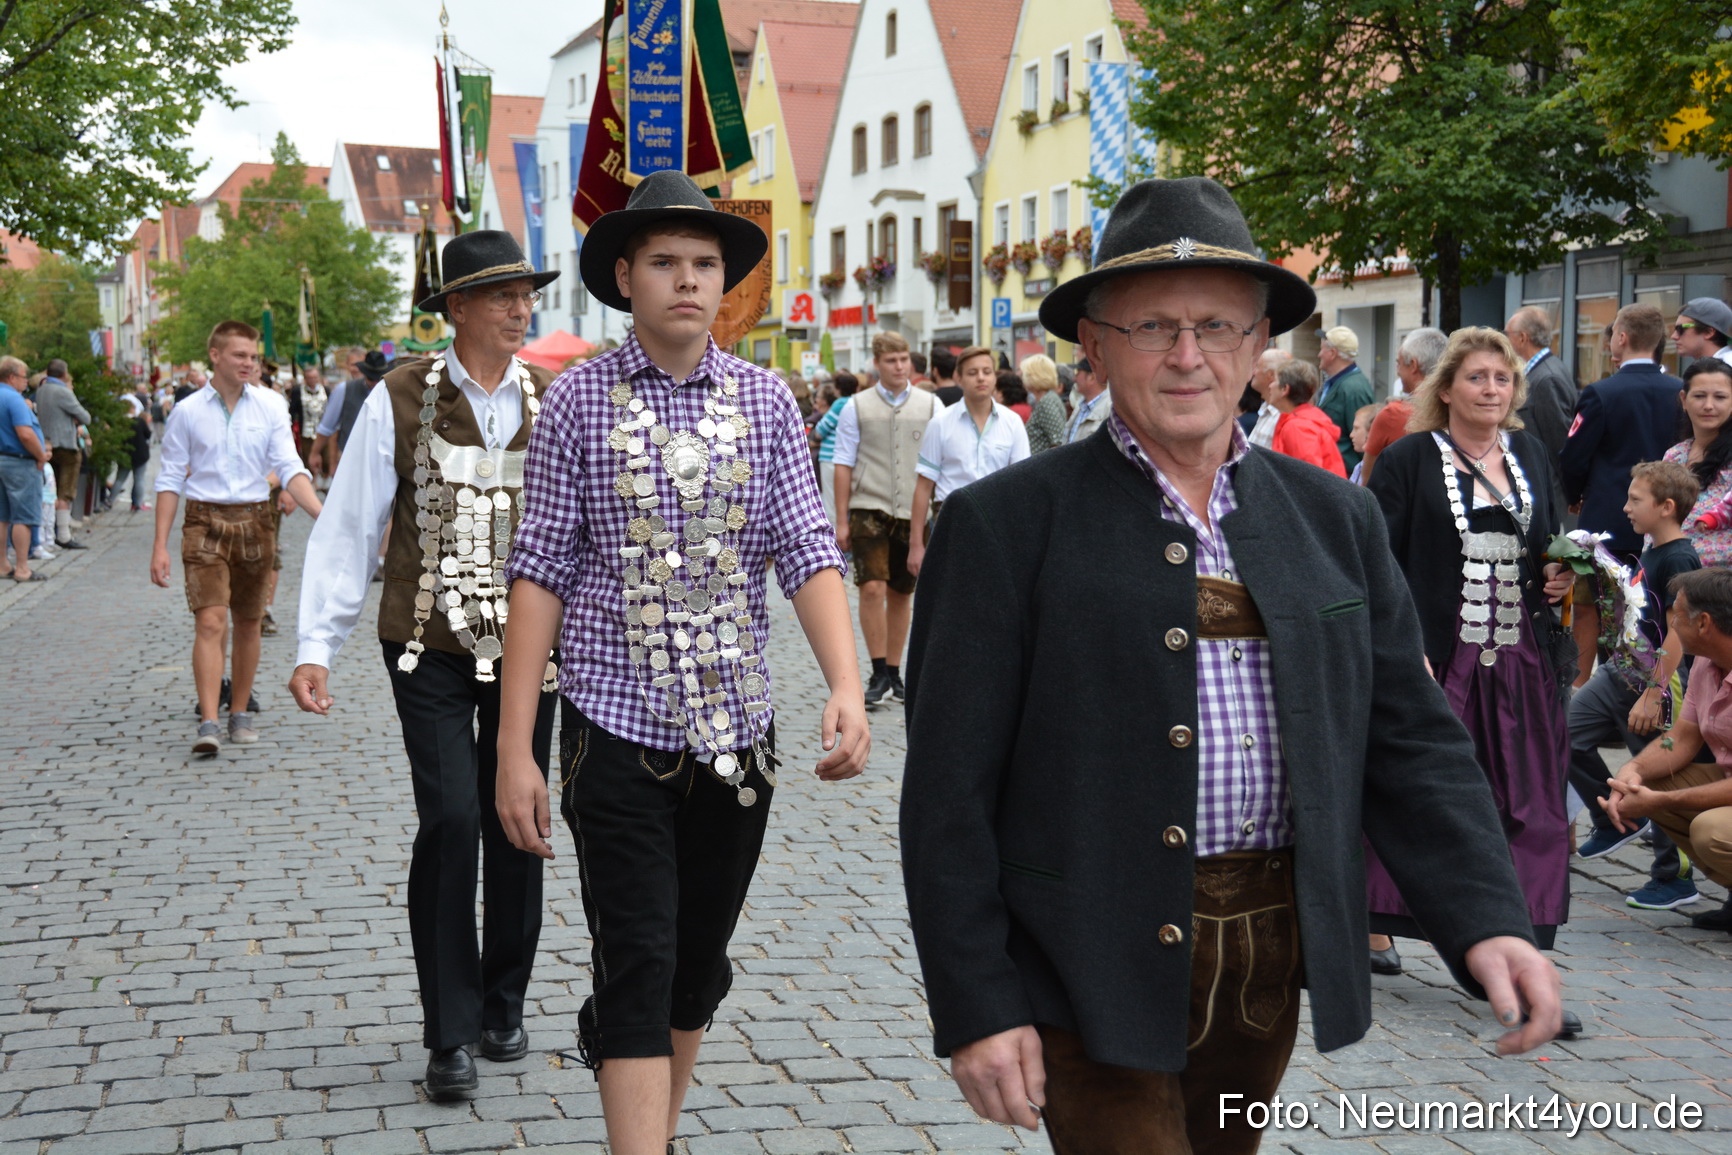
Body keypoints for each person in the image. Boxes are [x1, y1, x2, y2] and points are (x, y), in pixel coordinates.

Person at [900, 177, 1562, 1155]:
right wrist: (974, 1001)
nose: (1186, 356)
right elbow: (947, 790)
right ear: (1093, 341)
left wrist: (1485, 916)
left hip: (1266, 963)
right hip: (1083, 956)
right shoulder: (1004, 525)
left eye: (1215, 326)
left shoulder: (1332, 514)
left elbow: (1409, 736)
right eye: (1152, 326)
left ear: (1258, 345)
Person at [490, 169, 869, 1155]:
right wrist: (515, 747)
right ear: (626, 275)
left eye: (704, 263)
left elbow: (805, 547)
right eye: (664, 261)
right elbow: (539, 570)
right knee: (640, 962)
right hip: (614, 728)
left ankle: (651, 1103)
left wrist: (844, 682)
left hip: (738, 735)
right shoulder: (575, 399)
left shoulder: (768, 402)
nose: (687, 280)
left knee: (694, 969)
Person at [291, 231, 561, 1101]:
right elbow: (352, 521)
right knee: (452, 818)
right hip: (426, 642)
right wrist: (313, 644)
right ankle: (448, 1031)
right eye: (502, 296)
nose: (521, 308)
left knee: (517, 814)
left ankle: (502, 999)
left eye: (526, 294)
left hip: (529, 650)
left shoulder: (550, 397)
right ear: (457, 309)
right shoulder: (401, 394)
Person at [1364, 328, 1574, 1032]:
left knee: (1533, 804)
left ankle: (1527, 958)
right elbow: (1377, 559)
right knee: (1430, 791)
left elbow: (1553, 537)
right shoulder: (1408, 460)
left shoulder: (1533, 456)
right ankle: (1376, 920)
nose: (1492, 389)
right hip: (1441, 655)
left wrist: (1562, 571)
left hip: (1521, 658)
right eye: (1478, 377)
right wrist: (1405, 646)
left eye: (1503, 379)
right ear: (1446, 388)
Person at [153, 321, 322, 754]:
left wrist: (322, 514)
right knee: (210, 620)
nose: (249, 363)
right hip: (204, 522)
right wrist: (160, 546)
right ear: (215, 355)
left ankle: (239, 712)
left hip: (255, 521)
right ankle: (209, 721)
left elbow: (288, 465)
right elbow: (170, 477)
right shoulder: (187, 411)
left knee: (248, 621)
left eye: (252, 357)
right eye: (239, 356)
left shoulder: (270, 404)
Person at [1568, 460, 1706, 912]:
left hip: (1654, 682)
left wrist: (1655, 691)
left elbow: (1678, 632)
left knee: (1654, 771)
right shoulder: (1651, 549)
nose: (1625, 507)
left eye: (1635, 500)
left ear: (1666, 508)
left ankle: (1674, 874)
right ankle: (1613, 819)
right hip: (1621, 670)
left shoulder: (1680, 556)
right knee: (1563, 734)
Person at [1602, 567, 1732, 935]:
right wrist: (1633, 773)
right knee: (1649, 786)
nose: (1668, 621)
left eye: (1676, 612)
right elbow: (1683, 738)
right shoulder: (1708, 662)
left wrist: (1657, 804)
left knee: (1712, 832)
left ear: (1703, 622)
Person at [832, 330, 943, 708]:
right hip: (869, 507)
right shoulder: (856, 406)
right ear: (877, 364)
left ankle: (895, 670)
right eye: (892, 361)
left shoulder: (931, 405)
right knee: (872, 588)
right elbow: (843, 463)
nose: (900, 367)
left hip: (913, 511)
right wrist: (841, 520)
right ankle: (878, 670)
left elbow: (941, 461)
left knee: (901, 593)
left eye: (904, 359)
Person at [1561, 303, 1683, 563]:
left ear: (1622, 337)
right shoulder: (1680, 391)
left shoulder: (1600, 392)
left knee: (1600, 602)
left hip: (1609, 521)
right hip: (1666, 522)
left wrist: (1574, 496)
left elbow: (1574, 456)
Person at [907, 345, 1030, 577]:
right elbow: (923, 487)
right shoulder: (940, 423)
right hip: (951, 519)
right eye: (972, 373)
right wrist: (916, 545)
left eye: (987, 371)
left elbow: (1022, 487)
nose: (981, 378)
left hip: (999, 520)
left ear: (995, 377)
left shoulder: (1012, 423)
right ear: (958, 378)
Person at [1505, 307, 1576, 511]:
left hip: (1549, 495)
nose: (1506, 340)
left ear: (1522, 338)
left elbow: (1559, 443)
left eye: (1507, 334)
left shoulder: (1546, 378)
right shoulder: (1542, 371)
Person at [1666, 360, 1732, 565]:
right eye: (1700, 396)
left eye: (1720, 397)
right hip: (1670, 578)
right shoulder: (1674, 456)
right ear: (1684, 400)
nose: (1709, 405)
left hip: (1720, 586)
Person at [1361, 328, 1445, 484]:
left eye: (1399, 363)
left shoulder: (1393, 414)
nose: (1398, 371)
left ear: (1413, 365)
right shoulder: (1457, 409)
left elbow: (1367, 481)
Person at [0, 356, 49, 582]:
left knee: (2, 517)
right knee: (23, 516)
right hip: (19, 462)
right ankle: (22, 568)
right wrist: (41, 455)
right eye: (23, 377)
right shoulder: (14, 399)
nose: (26, 381)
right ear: (11, 377)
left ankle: (2, 565)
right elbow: (25, 433)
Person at [35, 360, 91, 551]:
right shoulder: (63, 391)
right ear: (64, 374)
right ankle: (64, 535)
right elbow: (85, 417)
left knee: (51, 490)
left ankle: (50, 533)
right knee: (65, 492)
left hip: (47, 444)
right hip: (66, 445)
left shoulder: (41, 390)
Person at [1266, 359, 1347, 476]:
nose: (1270, 386)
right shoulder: (1302, 420)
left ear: (1285, 389)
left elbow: (1309, 476)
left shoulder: (1297, 427)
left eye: (1274, 381)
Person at [1316, 325, 1374, 472]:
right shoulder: (1337, 382)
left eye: (1322, 349)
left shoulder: (1353, 388)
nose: (1319, 354)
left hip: (1344, 475)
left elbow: (1364, 440)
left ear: (1333, 353)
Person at [810, 370, 858, 509]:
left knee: (831, 501)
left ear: (838, 388)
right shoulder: (855, 403)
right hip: (849, 456)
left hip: (830, 456)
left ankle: (834, 530)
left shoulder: (839, 404)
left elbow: (820, 430)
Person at [114, 388, 154, 511]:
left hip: (125, 454)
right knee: (139, 479)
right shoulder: (139, 421)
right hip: (140, 454)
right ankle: (137, 503)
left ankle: (110, 501)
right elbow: (148, 434)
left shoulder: (119, 422)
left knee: (120, 479)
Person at [1020, 354, 1068, 453]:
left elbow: (1058, 442)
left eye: (1025, 374)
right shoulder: (1048, 398)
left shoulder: (1047, 402)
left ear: (1033, 376)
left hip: (1042, 465)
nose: (1022, 378)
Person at [1244, 347, 1288, 448]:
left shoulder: (1281, 416)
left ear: (1270, 375)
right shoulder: (1267, 408)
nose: (1253, 372)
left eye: (1257, 366)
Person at [1064, 355, 1112, 444]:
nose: (1074, 379)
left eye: (1078, 373)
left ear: (1092, 377)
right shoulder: (1080, 405)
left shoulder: (1110, 408)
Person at [1673, 297, 1732, 368]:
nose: (1673, 336)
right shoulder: (1706, 367)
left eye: (1681, 329)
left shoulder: (1727, 368)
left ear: (1708, 332)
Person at [1347, 402, 1380, 484]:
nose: (1351, 435)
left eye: (1356, 428)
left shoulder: (1377, 469)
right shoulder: (1359, 466)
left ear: (1371, 431)